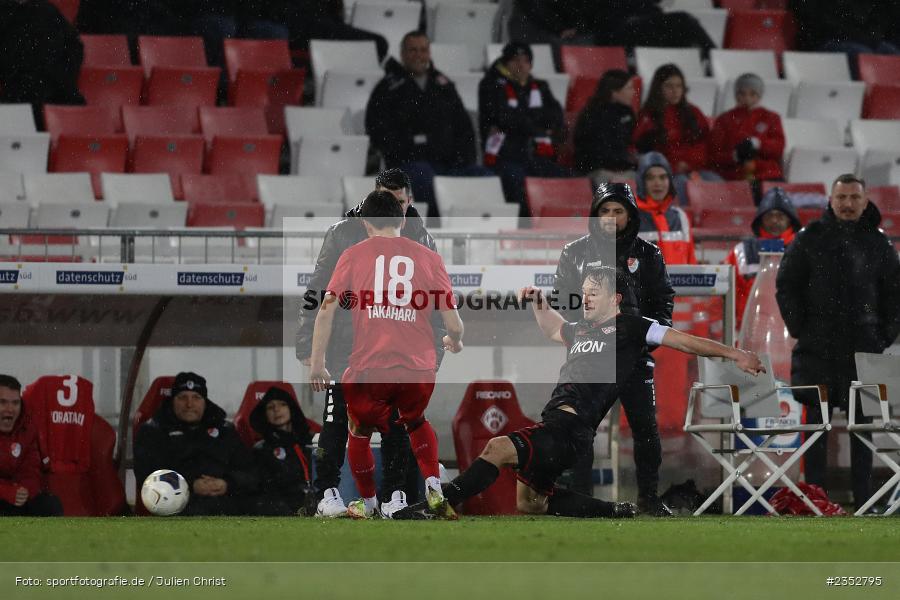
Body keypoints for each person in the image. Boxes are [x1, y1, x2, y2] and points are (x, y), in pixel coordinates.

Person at [395, 266, 764, 519]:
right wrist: (539, 303)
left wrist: (736, 355)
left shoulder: (632, 327)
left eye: (593, 292)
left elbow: (685, 342)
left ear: (615, 298)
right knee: (531, 504)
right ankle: (614, 510)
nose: (585, 298)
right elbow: (553, 329)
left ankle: (440, 504)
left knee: (496, 448)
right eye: (584, 292)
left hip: (569, 428)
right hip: (560, 427)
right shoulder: (581, 330)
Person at [296, 168, 446, 519]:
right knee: (337, 419)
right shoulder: (343, 233)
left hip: (401, 346)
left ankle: (393, 496)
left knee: (395, 423)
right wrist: (308, 345)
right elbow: (319, 289)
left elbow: (435, 302)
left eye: (400, 202)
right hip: (348, 345)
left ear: (409, 202)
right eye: (386, 200)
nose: (392, 209)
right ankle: (326, 494)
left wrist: (434, 353)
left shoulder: (422, 237)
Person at [776, 174, 900, 511]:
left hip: (864, 353)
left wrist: (882, 336)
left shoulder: (879, 243)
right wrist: (800, 327)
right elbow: (786, 285)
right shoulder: (809, 239)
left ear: (865, 200)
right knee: (816, 429)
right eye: (841, 197)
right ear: (830, 200)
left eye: (853, 198)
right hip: (817, 353)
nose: (847, 204)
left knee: (863, 431)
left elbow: (895, 295)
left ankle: (864, 502)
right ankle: (815, 501)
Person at [553, 182, 675, 515]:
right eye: (604, 211)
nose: (610, 217)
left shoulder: (649, 254)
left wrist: (645, 336)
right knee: (580, 428)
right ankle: (580, 496)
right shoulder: (574, 252)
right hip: (589, 356)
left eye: (618, 210)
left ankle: (649, 497)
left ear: (630, 214)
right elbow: (561, 300)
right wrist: (590, 329)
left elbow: (664, 301)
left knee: (645, 428)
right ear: (595, 215)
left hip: (634, 357)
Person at [365, 31, 491, 221]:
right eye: (413, 50)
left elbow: (464, 129)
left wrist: (464, 159)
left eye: (423, 50)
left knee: (484, 177)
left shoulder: (444, 85)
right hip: (409, 164)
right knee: (423, 176)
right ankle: (437, 228)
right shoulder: (387, 88)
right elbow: (378, 131)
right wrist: (410, 148)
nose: (419, 55)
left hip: (449, 164)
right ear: (402, 54)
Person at [134, 372, 259, 516]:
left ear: (205, 401)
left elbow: (251, 473)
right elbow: (149, 476)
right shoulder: (153, 431)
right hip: (177, 505)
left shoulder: (225, 431)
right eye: (182, 398)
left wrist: (226, 484)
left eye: (196, 398)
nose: (189, 404)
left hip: (227, 502)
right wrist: (190, 484)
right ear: (172, 401)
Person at [478, 41, 569, 217]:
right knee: (517, 183)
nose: (521, 65)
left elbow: (556, 115)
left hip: (537, 155)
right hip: (506, 157)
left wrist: (525, 120)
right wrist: (537, 123)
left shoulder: (540, 86)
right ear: (505, 62)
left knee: (564, 179)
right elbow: (505, 119)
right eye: (515, 60)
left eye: (526, 60)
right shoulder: (491, 85)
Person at [633, 63, 721, 204]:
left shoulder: (694, 112)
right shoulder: (648, 116)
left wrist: (689, 164)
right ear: (658, 88)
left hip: (695, 169)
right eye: (669, 86)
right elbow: (644, 152)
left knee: (716, 182)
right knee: (681, 184)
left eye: (679, 86)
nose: (675, 91)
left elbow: (705, 145)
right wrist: (675, 165)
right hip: (665, 173)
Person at [725, 187, 801, 332]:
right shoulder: (741, 252)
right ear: (760, 219)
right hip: (750, 337)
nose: (774, 221)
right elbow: (725, 298)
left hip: (793, 337)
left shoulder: (804, 250)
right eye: (769, 216)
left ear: (790, 219)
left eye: (780, 216)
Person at [0, 0, 85, 128]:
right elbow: (76, 48)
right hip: (56, 99)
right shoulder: (47, 11)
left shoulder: (46, 11)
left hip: (21, 103)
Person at [709, 73, 786, 202]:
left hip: (767, 175)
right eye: (742, 93)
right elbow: (714, 155)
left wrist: (759, 144)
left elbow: (778, 147)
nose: (747, 98)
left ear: (759, 95)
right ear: (736, 95)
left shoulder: (771, 117)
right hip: (735, 176)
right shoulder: (724, 120)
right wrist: (734, 156)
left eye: (752, 94)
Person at [0, 375, 62, 517]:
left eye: (15, 403)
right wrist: (6, 492)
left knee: (50, 505)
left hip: (16, 499)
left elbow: (31, 469)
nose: (9, 409)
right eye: (2, 402)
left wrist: (24, 490)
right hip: (4, 495)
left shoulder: (27, 428)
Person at [249, 386, 314, 516]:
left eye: (282, 404)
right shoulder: (262, 449)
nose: (276, 410)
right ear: (264, 414)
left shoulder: (311, 441)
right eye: (270, 407)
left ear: (291, 409)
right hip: (283, 509)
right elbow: (265, 491)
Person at [573, 69, 637, 182]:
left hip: (623, 169)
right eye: (629, 88)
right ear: (614, 92)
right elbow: (592, 153)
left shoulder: (627, 112)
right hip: (597, 170)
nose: (633, 92)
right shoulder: (592, 114)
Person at [634, 152, 697, 266]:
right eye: (650, 178)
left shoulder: (680, 217)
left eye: (663, 177)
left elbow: (691, 263)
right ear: (642, 182)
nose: (657, 183)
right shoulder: (630, 217)